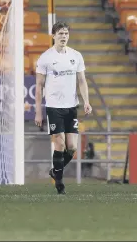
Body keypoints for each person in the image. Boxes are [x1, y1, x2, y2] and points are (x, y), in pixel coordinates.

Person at [34, 22, 92, 194]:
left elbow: (82, 80)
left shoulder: (76, 56)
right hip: (54, 107)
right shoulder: (45, 57)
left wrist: (86, 101)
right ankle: (60, 184)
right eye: (60, 33)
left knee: (72, 147)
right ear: (53, 35)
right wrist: (38, 112)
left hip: (71, 106)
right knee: (59, 143)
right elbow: (39, 86)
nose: (63, 36)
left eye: (66, 33)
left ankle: (55, 171)